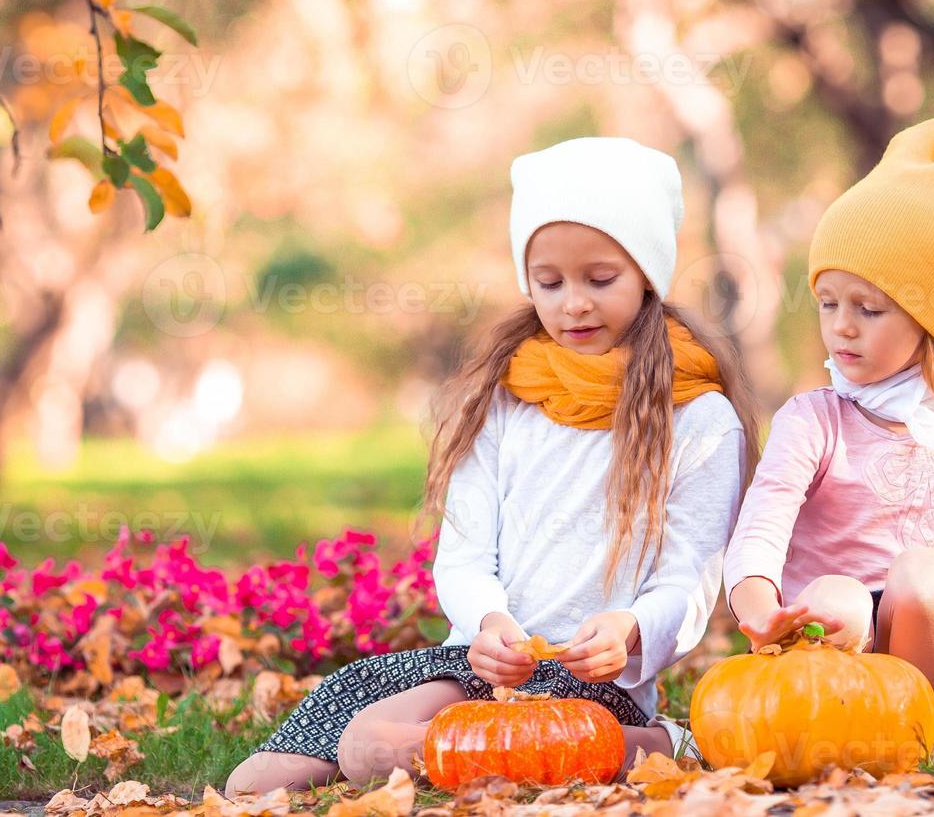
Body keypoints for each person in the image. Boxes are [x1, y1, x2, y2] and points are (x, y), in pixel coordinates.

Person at [226, 136, 763, 793]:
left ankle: (644, 743)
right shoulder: (507, 398)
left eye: (600, 280)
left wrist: (628, 629)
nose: (573, 304)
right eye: (549, 282)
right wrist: (490, 623)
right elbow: (464, 554)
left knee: (373, 747)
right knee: (259, 780)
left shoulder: (697, 417)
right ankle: (587, 755)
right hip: (480, 664)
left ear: (648, 273)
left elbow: (689, 581)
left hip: (591, 681)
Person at [724, 117, 934, 749]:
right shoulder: (814, 419)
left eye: (868, 309)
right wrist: (759, 606)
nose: (842, 328)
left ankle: (919, 750)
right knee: (839, 597)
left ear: (930, 319)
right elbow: (760, 530)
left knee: (926, 575)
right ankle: (847, 734)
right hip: (825, 666)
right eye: (828, 303)